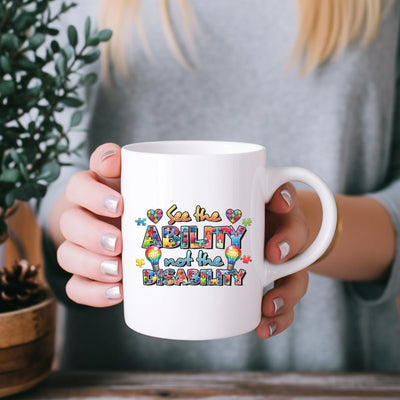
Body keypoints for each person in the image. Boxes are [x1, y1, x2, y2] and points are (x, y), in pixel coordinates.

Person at [41, 0, 400, 371]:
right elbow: (47, 171)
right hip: (112, 377)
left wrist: (300, 224)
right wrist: (78, 225)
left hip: (339, 379)